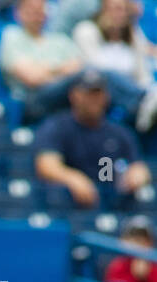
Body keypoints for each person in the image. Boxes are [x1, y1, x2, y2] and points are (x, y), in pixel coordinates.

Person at [35, 71, 150, 208]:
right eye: (88, 93)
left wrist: (138, 175)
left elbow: (138, 166)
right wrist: (73, 178)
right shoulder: (58, 126)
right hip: (71, 207)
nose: (94, 99)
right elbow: (46, 165)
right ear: (74, 95)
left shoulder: (118, 132)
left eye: (98, 93)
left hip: (111, 202)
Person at [0, 0, 86, 122]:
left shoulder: (60, 40)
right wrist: (61, 70)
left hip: (66, 96)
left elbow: (79, 68)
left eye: (41, 8)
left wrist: (44, 70)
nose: (37, 12)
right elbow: (32, 78)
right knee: (97, 79)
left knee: (95, 80)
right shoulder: (12, 36)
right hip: (30, 100)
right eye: (31, 9)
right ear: (18, 13)